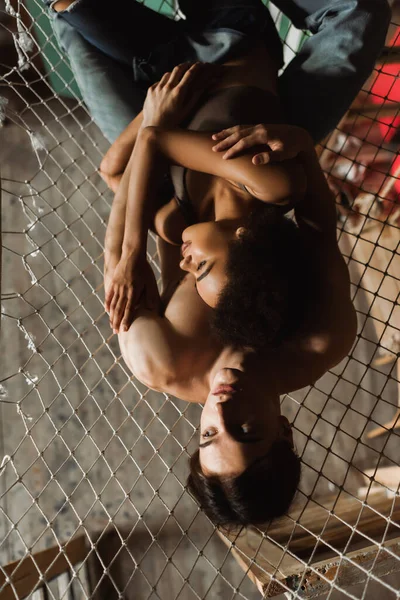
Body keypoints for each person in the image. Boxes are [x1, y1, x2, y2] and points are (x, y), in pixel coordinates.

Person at [44, 0, 388, 527]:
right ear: (284, 432)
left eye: (208, 433)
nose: (221, 412)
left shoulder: (161, 359)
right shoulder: (319, 337)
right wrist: (297, 145)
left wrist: (132, 248)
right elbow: (319, 226)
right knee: (359, 12)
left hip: (156, 173)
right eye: (246, 431)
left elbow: (121, 195)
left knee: (69, 19)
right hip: (250, 145)